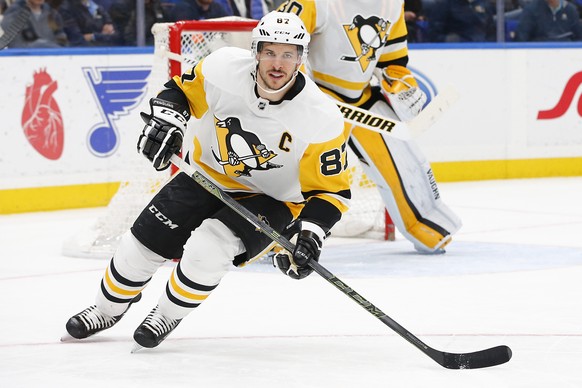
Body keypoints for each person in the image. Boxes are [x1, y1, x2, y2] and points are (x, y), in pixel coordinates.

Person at [62, 11, 350, 350]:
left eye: (288, 54)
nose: (277, 63)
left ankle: (166, 314)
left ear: (301, 59)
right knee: (139, 247)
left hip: (272, 199)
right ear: (255, 50)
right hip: (206, 175)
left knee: (207, 252)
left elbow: (331, 191)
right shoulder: (223, 68)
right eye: (270, 52)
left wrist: (310, 233)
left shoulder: (321, 117)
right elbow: (179, 93)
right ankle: (106, 309)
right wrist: (167, 122)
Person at [277, 0, 462, 253]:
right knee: (306, 170)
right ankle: (280, 233)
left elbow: (392, 59)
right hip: (321, 97)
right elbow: (279, 40)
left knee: (403, 158)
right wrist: (302, 88)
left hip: (363, 97)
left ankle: (424, 220)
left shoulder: (393, 3)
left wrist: (401, 83)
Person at [1, 0, 67, 48]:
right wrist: (41, 45)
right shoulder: (14, 14)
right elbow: (16, 46)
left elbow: (62, 42)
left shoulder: (52, 14)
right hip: (25, 62)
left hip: (53, 61)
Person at [424, 0, 495, 42]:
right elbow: (433, 34)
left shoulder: (483, 4)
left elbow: (492, 30)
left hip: (484, 49)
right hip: (456, 51)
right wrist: (448, 39)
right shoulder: (444, 4)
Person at [515, 0, 582, 41]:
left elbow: (579, 38)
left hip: (567, 57)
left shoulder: (571, 10)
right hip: (539, 57)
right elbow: (521, 40)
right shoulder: (531, 11)